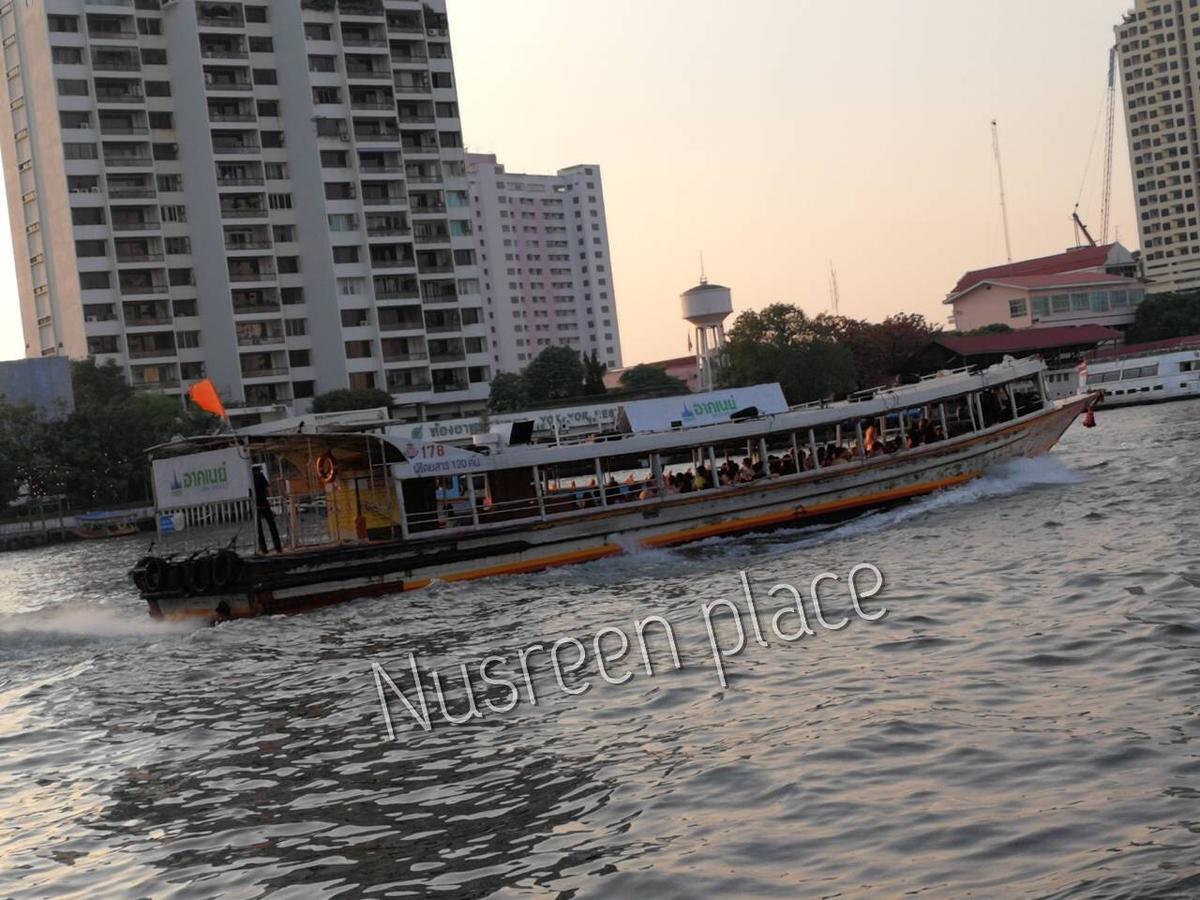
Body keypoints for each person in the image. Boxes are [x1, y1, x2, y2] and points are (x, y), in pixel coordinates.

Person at [254, 466, 283, 554]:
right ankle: (278, 547)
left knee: (259, 529)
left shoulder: (251, 478)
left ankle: (264, 549)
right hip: (264, 502)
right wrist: (271, 499)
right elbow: (267, 488)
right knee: (272, 525)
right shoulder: (260, 476)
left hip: (256, 504)